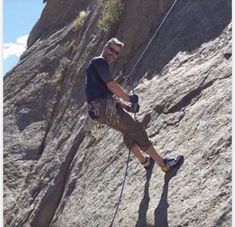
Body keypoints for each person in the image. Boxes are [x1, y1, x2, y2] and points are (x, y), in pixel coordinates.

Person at [85, 37, 180, 172]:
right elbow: (111, 85)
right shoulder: (99, 62)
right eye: (111, 49)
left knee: (126, 131)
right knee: (136, 129)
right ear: (105, 47)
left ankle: (145, 162)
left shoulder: (94, 70)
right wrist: (129, 98)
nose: (113, 54)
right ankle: (164, 164)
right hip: (104, 108)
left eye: (116, 53)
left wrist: (127, 106)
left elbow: (107, 97)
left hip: (98, 112)